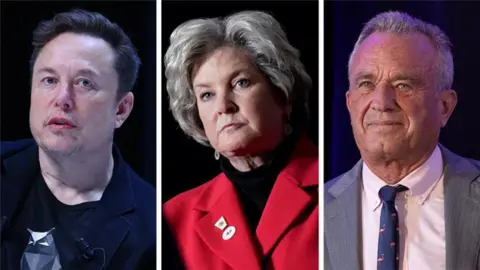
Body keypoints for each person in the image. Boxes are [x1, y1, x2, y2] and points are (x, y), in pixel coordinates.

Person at [0, 9, 156, 270]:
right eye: (49, 80)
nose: (62, 98)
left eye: (84, 83)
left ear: (121, 109)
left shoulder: (152, 226)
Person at [162, 10, 318, 270]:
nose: (223, 106)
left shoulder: (338, 186)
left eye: (240, 83)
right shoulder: (175, 217)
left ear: (282, 94)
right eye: (207, 95)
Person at [324, 11, 480, 270]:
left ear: (444, 107)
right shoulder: (317, 210)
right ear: (350, 104)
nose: (382, 103)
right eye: (366, 83)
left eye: (403, 85)